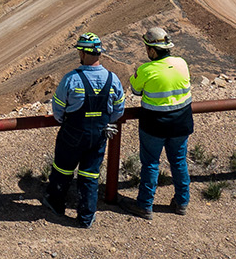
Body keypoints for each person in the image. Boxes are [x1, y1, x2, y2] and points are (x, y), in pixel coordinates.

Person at [44, 32, 125, 229]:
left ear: (82, 53)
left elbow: (58, 109)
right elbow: (118, 110)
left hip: (72, 133)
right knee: (90, 174)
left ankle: (56, 204)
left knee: (63, 169)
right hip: (98, 135)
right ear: (99, 53)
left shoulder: (71, 79)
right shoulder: (113, 80)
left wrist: (67, 122)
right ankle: (86, 217)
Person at [123, 27, 193, 219]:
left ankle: (145, 205)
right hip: (181, 123)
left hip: (154, 125)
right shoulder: (182, 63)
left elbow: (136, 91)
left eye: (147, 47)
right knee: (179, 162)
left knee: (151, 163)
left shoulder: (146, 70)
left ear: (152, 51)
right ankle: (182, 203)